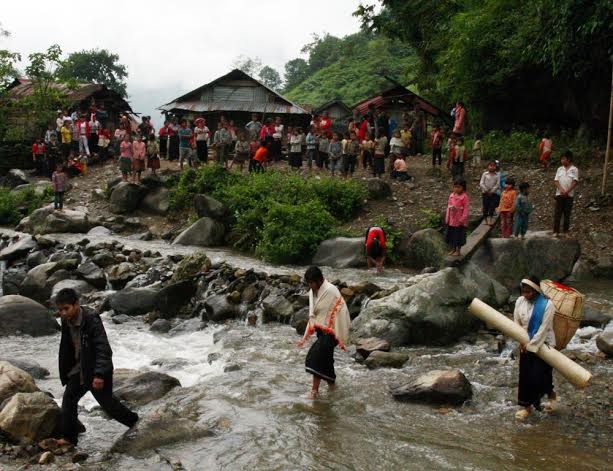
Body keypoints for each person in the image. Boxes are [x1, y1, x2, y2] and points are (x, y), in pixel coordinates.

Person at [55, 288, 138, 446]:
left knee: (108, 404)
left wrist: (99, 374)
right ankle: (69, 439)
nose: (63, 313)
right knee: (68, 401)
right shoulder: (65, 321)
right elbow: (66, 347)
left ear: (77, 304)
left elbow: (103, 348)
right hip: (79, 369)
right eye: (60, 310)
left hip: (96, 369)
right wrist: (66, 371)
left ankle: (135, 422)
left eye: (66, 308)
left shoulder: (91, 319)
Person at [297, 266, 351, 399]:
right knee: (326, 360)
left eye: (311, 282)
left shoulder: (330, 291)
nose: (310, 285)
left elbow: (337, 311)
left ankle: (314, 391)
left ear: (319, 280)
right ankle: (332, 386)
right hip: (322, 329)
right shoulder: (313, 291)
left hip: (333, 330)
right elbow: (316, 311)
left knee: (316, 356)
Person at [513, 276, 557, 420]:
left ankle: (551, 395)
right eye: (523, 292)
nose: (526, 295)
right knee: (526, 375)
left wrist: (531, 345)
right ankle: (528, 407)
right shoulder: (520, 301)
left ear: (536, 291)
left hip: (543, 343)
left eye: (529, 292)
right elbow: (516, 323)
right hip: (525, 342)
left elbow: (544, 329)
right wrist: (521, 341)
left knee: (540, 375)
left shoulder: (547, 304)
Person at [553, 151, 579, 238]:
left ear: (569, 159)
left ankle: (566, 232)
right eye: (561, 159)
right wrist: (561, 190)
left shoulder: (574, 169)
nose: (562, 161)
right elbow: (556, 181)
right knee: (558, 213)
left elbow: (575, 182)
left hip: (569, 195)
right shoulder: (559, 169)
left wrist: (567, 191)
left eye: (564, 159)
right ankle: (556, 231)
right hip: (559, 194)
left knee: (567, 214)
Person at [445, 178, 469, 256]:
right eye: (455, 187)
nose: (456, 189)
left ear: (463, 188)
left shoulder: (464, 197)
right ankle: (453, 249)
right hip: (452, 220)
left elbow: (466, 209)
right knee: (452, 235)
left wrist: (462, 219)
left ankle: (458, 250)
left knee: (459, 236)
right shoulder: (451, 195)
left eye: (459, 187)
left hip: (459, 221)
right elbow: (448, 206)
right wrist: (447, 218)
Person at [480, 161, 501, 226]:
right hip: (485, 193)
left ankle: (490, 219)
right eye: (490, 165)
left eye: (493, 166)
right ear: (488, 166)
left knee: (492, 206)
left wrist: (492, 190)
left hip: (493, 193)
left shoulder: (497, 175)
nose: (492, 167)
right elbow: (481, 183)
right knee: (485, 206)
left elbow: (497, 184)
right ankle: (485, 219)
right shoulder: (485, 174)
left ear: (495, 167)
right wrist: (486, 190)